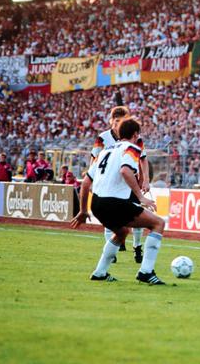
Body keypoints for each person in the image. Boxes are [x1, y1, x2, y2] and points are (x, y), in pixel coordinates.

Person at [70, 117, 167, 285]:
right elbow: (125, 171)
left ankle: (100, 272)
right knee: (158, 223)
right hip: (115, 203)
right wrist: (141, 196)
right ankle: (146, 272)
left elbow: (85, 182)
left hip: (97, 204)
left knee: (122, 232)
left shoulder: (105, 151)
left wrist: (83, 210)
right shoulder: (132, 148)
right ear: (135, 134)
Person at [90, 106, 150, 264]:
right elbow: (94, 159)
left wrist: (145, 180)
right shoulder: (102, 138)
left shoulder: (135, 138)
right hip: (111, 183)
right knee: (110, 219)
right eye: (117, 120)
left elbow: (142, 158)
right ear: (111, 121)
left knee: (138, 214)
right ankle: (111, 249)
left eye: (123, 120)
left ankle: (137, 247)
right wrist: (92, 178)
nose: (119, 123)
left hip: (131, 182)